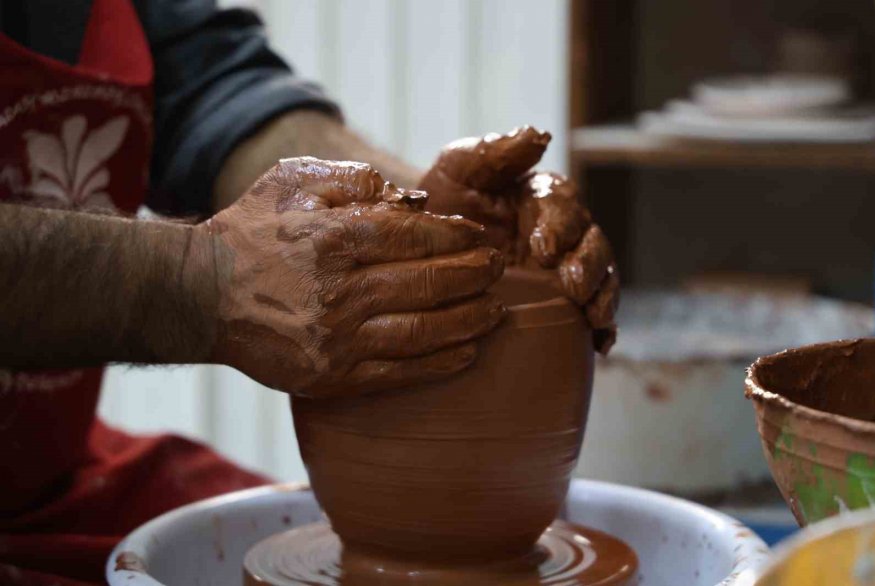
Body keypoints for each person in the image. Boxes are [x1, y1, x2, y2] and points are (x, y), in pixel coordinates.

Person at [0, 1, 619, 584]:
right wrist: (199, 282)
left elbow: (214, 96)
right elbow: (201, 276)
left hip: (53, 480)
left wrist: (424, 219)